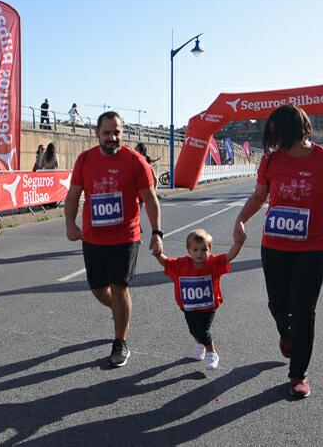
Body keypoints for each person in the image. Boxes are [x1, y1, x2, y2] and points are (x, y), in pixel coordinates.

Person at [232, 104, 323, 398]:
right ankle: (286, 332)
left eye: (275, 133)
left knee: (304, 308)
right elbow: (259, 196)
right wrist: (241, 220)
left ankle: (298, 373)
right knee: (277, 303)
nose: (271, 140)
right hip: (275, 245)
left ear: (292, 130)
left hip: (315, 245)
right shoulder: (271, 161)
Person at [64, 111, 163, 367]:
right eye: (107, 133)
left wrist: (156, 233)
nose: (112, 137)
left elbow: (150, 199)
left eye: (117, 132)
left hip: (126, 237)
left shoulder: (135, 161)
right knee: (98, 288)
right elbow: (74, 194)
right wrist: (69, 224)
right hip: (93, 237)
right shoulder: (85, 160)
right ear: (97, 134)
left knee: (120, 288)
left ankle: (120, 341)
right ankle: (120, 313)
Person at [152, 229, 243, 370]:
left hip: (208, 306)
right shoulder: (181, 264)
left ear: (210, 250)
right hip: (188, 306)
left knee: (203, 330)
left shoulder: (213, 262)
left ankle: (211, 352)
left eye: (204, 249)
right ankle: (199, 344)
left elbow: (229, 257)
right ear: (189, 251)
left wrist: (238, 243)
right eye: (195, 249)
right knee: (193, 330)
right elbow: (167, 263)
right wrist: (158, 254)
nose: (199, 253)